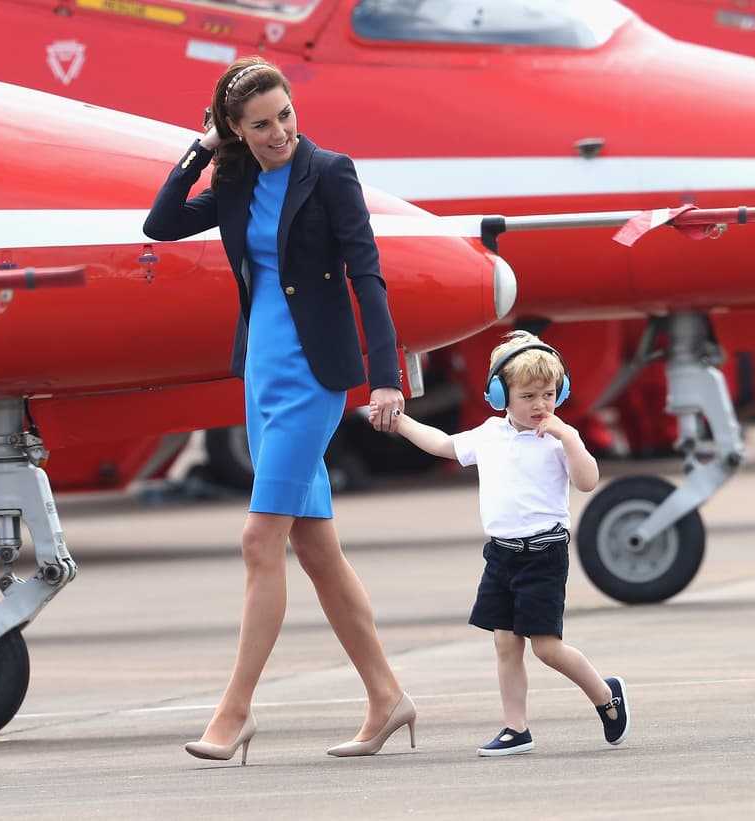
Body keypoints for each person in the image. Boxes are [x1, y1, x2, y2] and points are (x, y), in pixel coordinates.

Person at [142, 56, 413, 764]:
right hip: (261, 375)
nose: (280, 132)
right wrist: (200, 151)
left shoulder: (330, 172)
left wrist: (385, 377)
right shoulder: (232, 179)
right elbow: (162, 223)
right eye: (260, 124)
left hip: (314, 378)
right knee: (315, 548)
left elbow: (367, 273)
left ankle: (234, 712)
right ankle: (388, 697)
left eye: (285, 116)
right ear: (234, 128)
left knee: (259, 541)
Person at [374, 330, 629, 755]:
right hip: (501, 555)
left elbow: (588, 481)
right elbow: (444, 445)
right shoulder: (489, 434)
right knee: (505, 643)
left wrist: (569, 438)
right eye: (528, 396)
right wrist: (401, 421)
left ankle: (606, 694)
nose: (540, 405)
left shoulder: (559, 439)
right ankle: (516, 728)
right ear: (499, 395)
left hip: (544, 554)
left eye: (549, 394)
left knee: (547, 648)